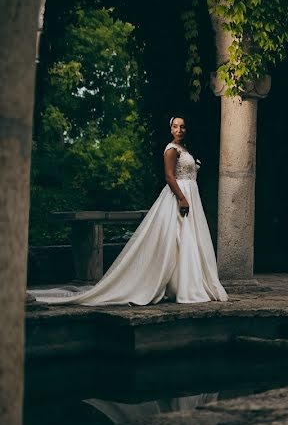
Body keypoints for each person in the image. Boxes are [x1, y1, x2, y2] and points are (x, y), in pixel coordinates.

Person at [30, 116, 228, 305]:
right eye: (176, 126)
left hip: (191, 193)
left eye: (182, 126)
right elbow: (169, 177)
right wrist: (182, 198)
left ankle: (187, 283)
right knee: (179, 237)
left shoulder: (184, 149)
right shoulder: (171, 149)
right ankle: (186, 287)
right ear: (171, 129)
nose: (179, 130)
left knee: (189, 238)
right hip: (180, 195)